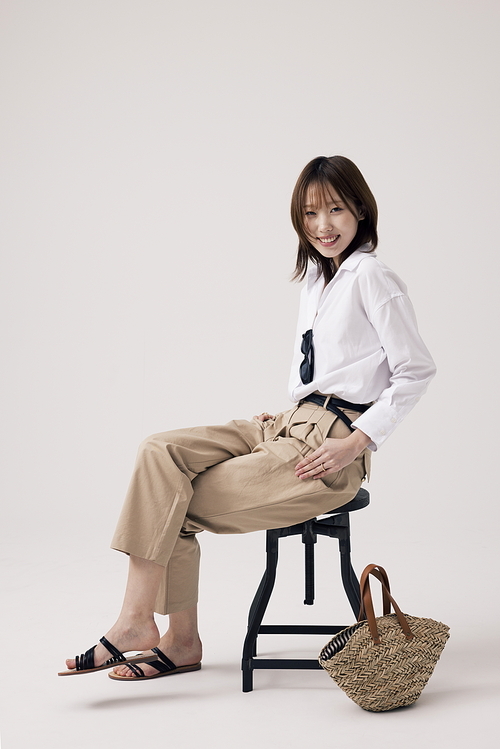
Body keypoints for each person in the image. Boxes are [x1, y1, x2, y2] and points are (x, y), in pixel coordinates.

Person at [59, 155, 436, 680]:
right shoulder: (318, 281)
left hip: (329, 446)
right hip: (287, 423)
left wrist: (357, 442)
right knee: (158, 453)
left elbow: (415, 371)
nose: (323, 225)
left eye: (336, 209)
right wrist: (292, 410)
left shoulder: (372, 276)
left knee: (173, 503)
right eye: (310, 214)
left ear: (361, 212)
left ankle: (147, 630)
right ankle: (162, 632)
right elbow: (324, 370)